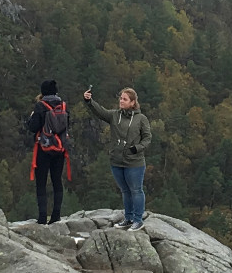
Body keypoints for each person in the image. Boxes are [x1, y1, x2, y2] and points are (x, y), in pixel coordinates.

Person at [83, 84, 151, 229]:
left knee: (136, 190)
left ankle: (138, 220)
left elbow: (147, 138)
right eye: (121, 98)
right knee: (125, 191)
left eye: (125, 99)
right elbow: (100, 112)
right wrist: (89, 101)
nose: (121, 101)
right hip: (117, 161)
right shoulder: (115, 115)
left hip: (135, 162)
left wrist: (136, 149)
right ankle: (128, 218)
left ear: (133, 102)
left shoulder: (141, 119)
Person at [25, 79, 72, 224]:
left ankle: (42, 217)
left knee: (41, 182)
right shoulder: (63, 106)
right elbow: (67, 125)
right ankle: (56, 216)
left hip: (43, 149)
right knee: (57, 181)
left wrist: (31, 117)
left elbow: (33, 127)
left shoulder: (40, 106)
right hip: (60, 149)